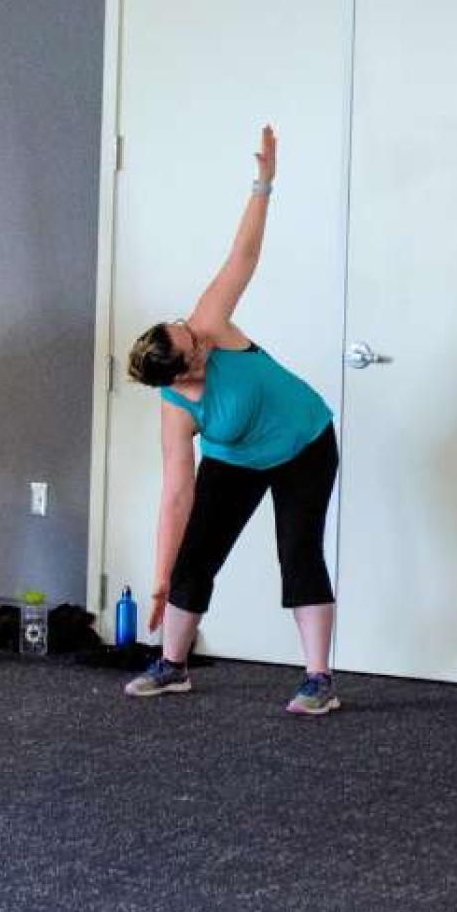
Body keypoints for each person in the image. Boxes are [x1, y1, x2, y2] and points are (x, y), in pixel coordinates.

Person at [121, 126, 341, 715]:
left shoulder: (210, 324)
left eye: (189, 327)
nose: (197, 333)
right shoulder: (179, 409)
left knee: (298, 550)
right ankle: (172, 665)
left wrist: (262, 184)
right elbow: (175, 495)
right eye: (190, 341)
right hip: (236, 459)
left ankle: (318, 680)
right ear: (180, 369)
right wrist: (161, 576)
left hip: (304, 442)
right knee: (195, 557)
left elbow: (241, 257)